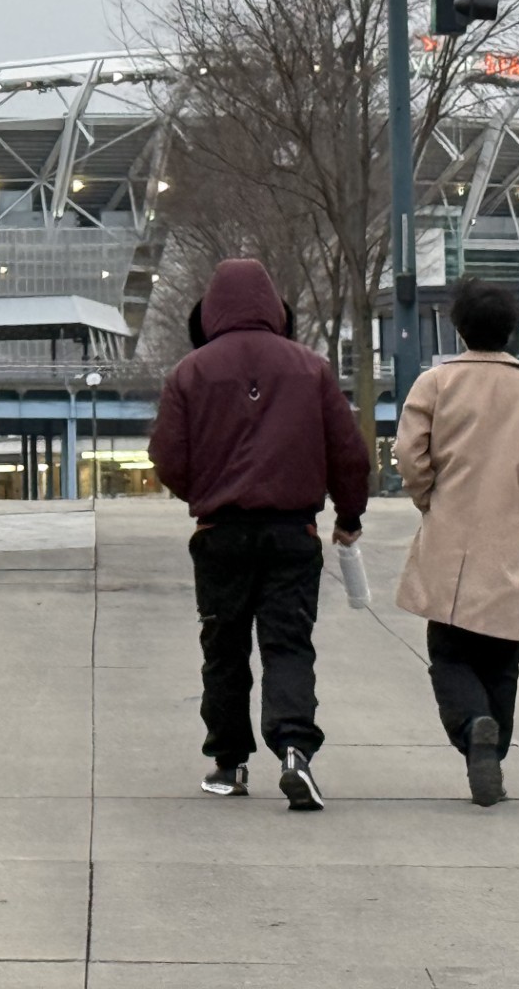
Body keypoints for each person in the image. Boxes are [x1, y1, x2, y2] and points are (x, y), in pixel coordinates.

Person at [150, 259, 370, 810]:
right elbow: (348, 454)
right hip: (292, 532)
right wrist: (348, 515)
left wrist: (204, 494)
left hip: (220, 533)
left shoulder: (189, 373)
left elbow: (166, 457)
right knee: (288, 643)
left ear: (210, 312)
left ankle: (228, 764)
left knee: (224, 649)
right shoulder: (312, 369)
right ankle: (295, 749)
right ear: (276, 310)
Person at [394, 276, 519, 807]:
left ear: (458, 327)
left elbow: (410, 457)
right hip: (514, 545)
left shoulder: (434, 384)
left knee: (449, 655)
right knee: (502, 659)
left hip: (451, 541)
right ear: (512, 329)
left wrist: (430, 498)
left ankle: (473, 726)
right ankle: (491, 750)